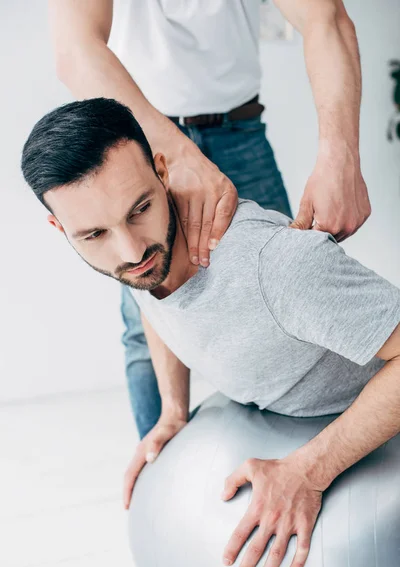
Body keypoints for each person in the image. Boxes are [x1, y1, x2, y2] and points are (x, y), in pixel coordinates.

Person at [21, 98, 400, 567]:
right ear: (61, 229)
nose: (130, 250)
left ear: (162, 172)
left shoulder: (272, 265)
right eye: (94, 233)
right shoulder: (134, 256)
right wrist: (173, 411)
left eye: (140, 209)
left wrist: (310, 470)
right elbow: (152, 302)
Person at [48, 0, 371, 439]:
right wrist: (175, 154)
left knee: (288, 301)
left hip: (240, 131)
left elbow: (324, 16)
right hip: (139, 141)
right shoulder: (154, 170)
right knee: (145, 292)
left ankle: (320, 467)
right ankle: (161, 453)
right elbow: (74, 47)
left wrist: (341, 155)